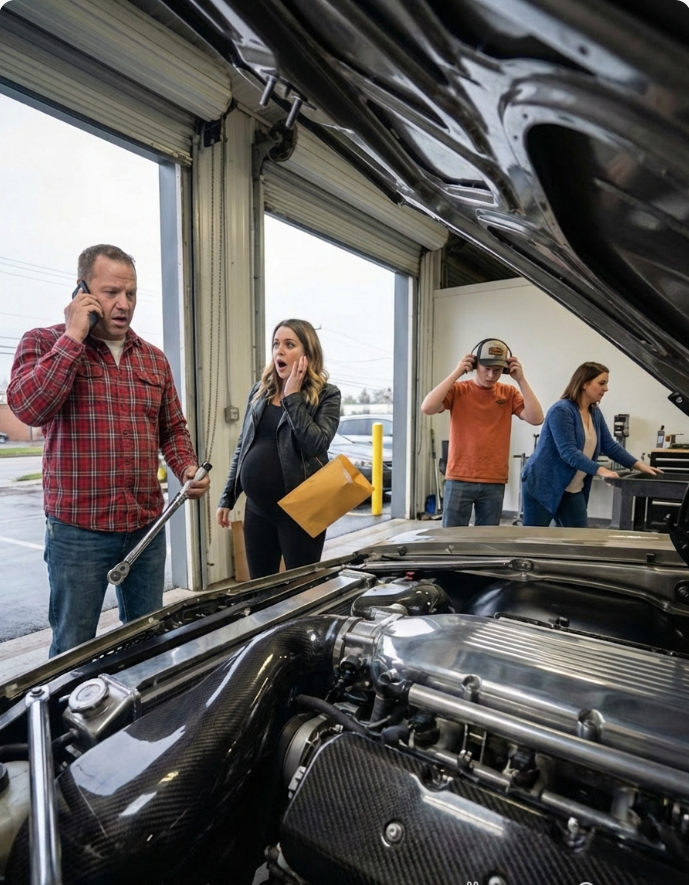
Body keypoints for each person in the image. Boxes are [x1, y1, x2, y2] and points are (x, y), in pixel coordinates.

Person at [7, 244, 210, 657]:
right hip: (78, 532)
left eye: (131, 293)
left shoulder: (153, 360)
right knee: (73, 647)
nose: (124, 304)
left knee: (147, 640)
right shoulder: (43, 343)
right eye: (111, 292)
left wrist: (187, 468)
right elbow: (30, 408)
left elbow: (172, 429)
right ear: (82, 291)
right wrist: (74, 337)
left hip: (145, 526)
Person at [217, 319, 341, 578]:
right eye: (276, 344)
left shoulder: (327, 395)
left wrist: (293, 396)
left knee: (300, 587)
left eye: (289, 344)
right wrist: (228, 497)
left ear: (308, 353)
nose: (279, 351)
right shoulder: (259, 391)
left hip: (300, 511)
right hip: (257, 510)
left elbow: (316, 444)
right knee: (261, 588)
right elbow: (243, 447)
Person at [521, 361, 662, 527]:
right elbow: (568, 452)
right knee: (534, 536)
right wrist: (600, 470)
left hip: (572, 487)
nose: (606, 389)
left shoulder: (594, 412)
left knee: (579, 537)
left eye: (606, 384)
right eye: (601, 383)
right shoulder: (561, 410)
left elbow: (609, 445)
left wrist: (638, 465)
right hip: (543, 483)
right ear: (584, 383)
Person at [421, 338, 543, 527]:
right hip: (459, 476)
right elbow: (427, 408)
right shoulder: (458, 390)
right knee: (452, 537)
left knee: (486, 539)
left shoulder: (509, 392)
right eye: (486, 368)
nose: (491, 375)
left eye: (497, 370)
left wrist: (521, 380)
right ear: (474, 365)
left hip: (493, 478)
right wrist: (456, 373)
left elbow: (536, 418)